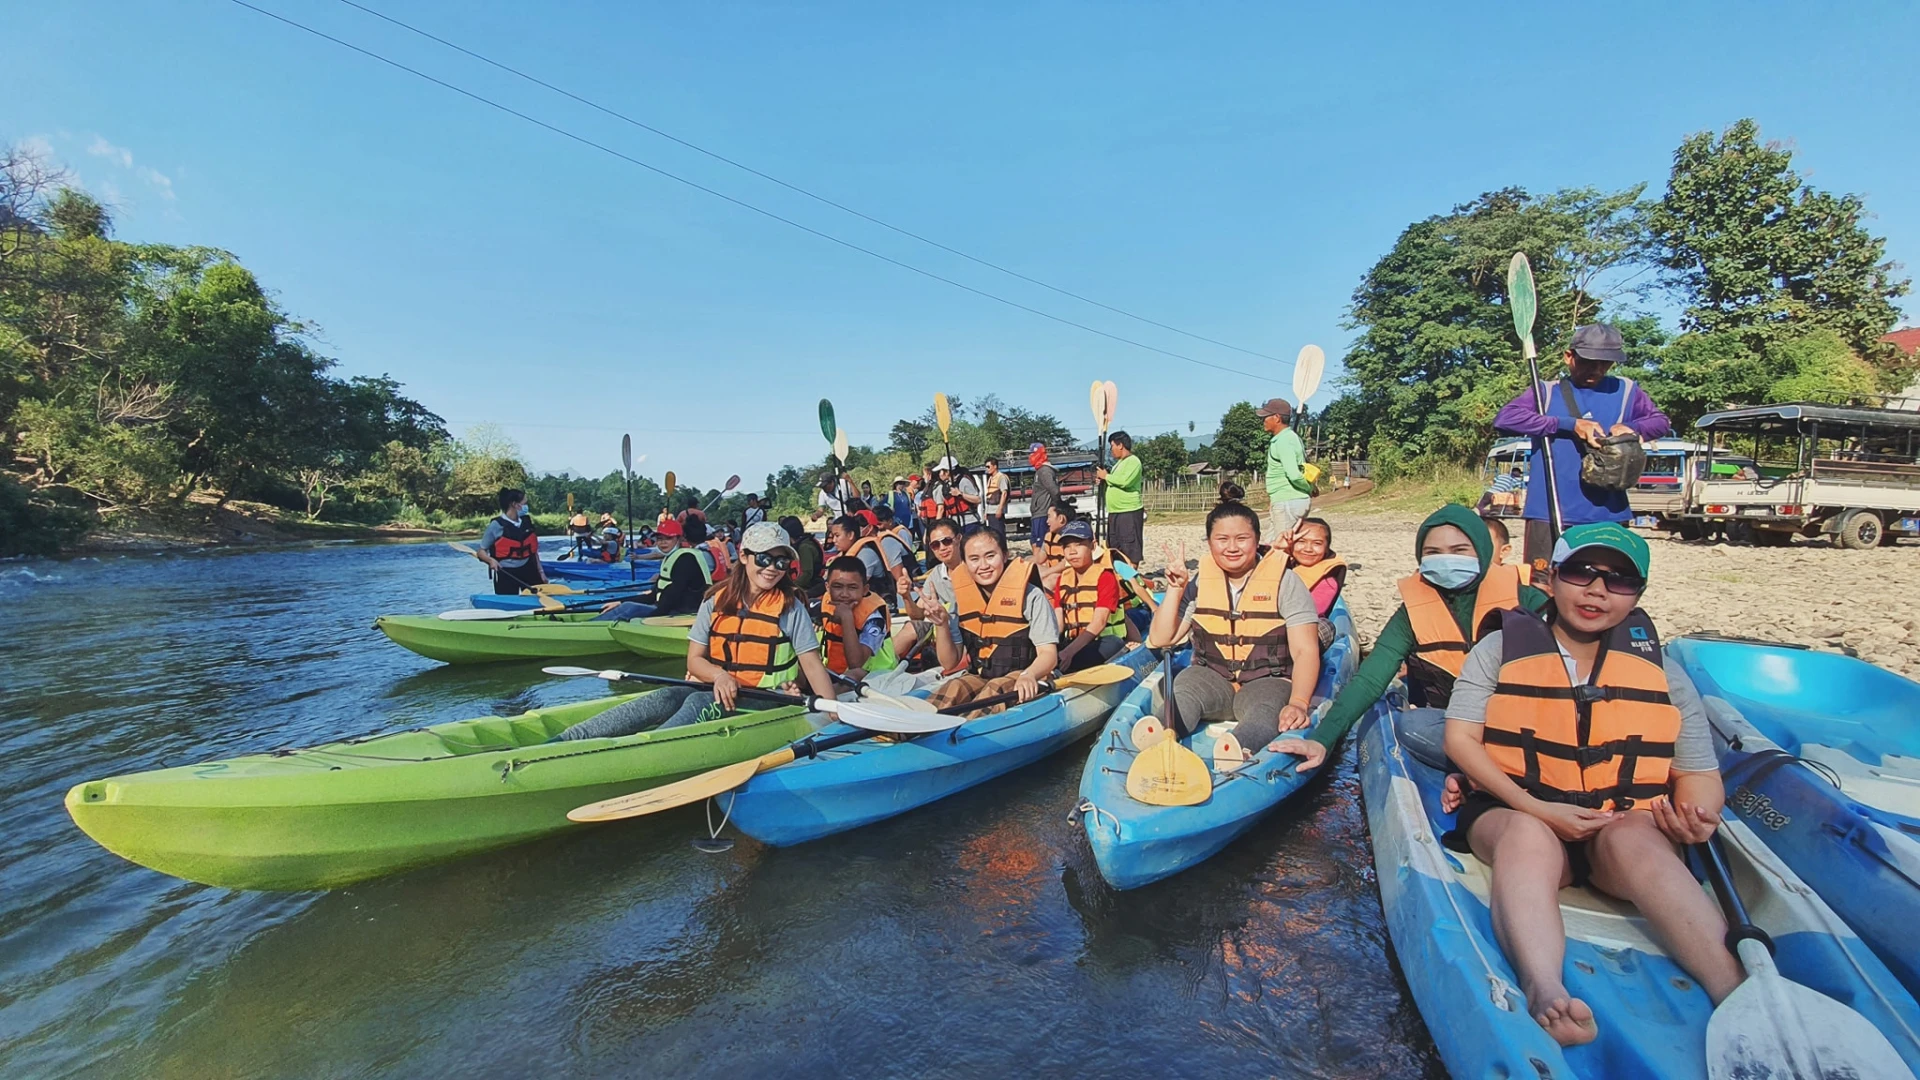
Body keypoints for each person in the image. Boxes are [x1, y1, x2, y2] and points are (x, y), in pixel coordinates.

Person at [1442, 523, 1739, 1046]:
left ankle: (1736, 990)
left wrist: (1697, 818)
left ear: (1638, 595)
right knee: (1528, 837)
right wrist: (1532, 805)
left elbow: (1698, 774)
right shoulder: (1498, 650)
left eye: (1620, 581)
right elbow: (1462, 739)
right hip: (1517, 811)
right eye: (1582, 573)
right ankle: (1545, 987)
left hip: (1617, 826)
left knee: (1635, 837)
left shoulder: (1662, 674)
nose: (1597, 590)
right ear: (1551, 578)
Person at [1273, 506, 1548, 775]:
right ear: (1420, 557)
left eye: (1459, 550)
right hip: (1462, 731)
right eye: (1433, 552)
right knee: (1412, 725)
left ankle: (1495, 770)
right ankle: (1487, 771)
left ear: (1482, 551)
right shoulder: (1413, 613)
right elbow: (1370, 679)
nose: (1446, 559)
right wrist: (1322, 739)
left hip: (1527, 726)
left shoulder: (1528, 600)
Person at [560, 523, 838, 740]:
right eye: (765, 559)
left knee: (698, 701)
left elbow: (812, 666)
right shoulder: (716, 600)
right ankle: (564, 741)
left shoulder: (790, 607)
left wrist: (832, 712)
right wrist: (720, 676)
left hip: (771, 698)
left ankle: (646, 749)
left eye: (781, 562)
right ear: (744, 556)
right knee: (667, 695)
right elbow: (695, 660)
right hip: (718, 687)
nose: (772, 569)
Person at [1495, 323, 1672, 584]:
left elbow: (1661, 422)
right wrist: (1568, 425)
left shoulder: (1626, 390)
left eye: (1605, 363)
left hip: (1608, 513)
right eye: (1590, 362)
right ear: (1569, 357)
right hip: (1550, 509)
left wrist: (1632, 427)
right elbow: (1505, 419)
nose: (1597, 370)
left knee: (1605, 584)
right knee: (1541, 584)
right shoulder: (1546, 391)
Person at [1148, 500, 1320, 769]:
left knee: (1266, 712)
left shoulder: (1286, 582)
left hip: (1267, 680)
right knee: (1183, 694)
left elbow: (1305, 650)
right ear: (1209, 542)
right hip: (1211, 677)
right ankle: (1157, 734)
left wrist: (1298, 703)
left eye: (1242, 538)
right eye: (1222, 539)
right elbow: (1161, 638)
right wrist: (1175, 589)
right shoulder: (1199, 583)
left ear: (1257, 539)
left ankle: (1237, 748)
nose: (1232, 547)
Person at [924, 527, 1060, 712]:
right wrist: (941, 625)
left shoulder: (1031, 596)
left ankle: (964, 735)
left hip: (1026, 676)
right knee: (955, 686)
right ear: (964, 562)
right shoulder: (961, 600)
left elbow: (1048, 654)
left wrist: (1030, 675)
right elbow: (949, 663)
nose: (983, 565)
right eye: (974, 559)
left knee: (995, 689)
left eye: (990, 556)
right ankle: (903, 733)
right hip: (982, 676)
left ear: (1005, 556)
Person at [1052, 520, 1130, 673]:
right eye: (1067, 546)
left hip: (1100, 640)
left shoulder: (1105, 577)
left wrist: (1068, 653)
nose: (1072, 551)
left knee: (1110, 645)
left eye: (1078, 544)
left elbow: (1099, 622)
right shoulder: (1062, 578)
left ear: (1093, 546)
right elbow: (1059, 622)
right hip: (1072, 641)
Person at [596, 517, 709, 619]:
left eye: (668, 538)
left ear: (679, 539)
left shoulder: (686, 559)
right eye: (660, 539)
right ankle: (587, 626)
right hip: (668, 611)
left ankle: (592, 630)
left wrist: (645, 619)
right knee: (627, 606)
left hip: (683, 615)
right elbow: (654, 595)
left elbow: (672, 598)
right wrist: (620, 602)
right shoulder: (671, 557)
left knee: (631, 609)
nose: (663, 542)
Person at [818, 555, 897, 681]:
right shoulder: (826, 602)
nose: (844, 594)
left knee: (853, 675)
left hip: (875, 675)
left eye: (852, 588)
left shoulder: (874, 617)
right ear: (827, 587)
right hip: (833, 671)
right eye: (837, 587)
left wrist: (847, 618)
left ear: (865, 590)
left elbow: (856, 664)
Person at [1258, 398, 1315, 543]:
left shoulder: (1283, 441)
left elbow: (1294, 475)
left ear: (1276, 418)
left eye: (1266, 417)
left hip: (1288, 501)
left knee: (1281, 548)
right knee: (1269, 545)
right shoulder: (1289, 438)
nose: (1263, 420)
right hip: (1285, 500)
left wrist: (1308, 487)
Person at [829, 513, 908, 606]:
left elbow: (852, 585)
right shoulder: (844, 554)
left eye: (837, 536)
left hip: (878, 605)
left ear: (850, 535)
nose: (834, 540)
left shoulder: (866, 554)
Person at [479, 488, 546, 595]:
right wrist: (490, 560)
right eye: (524, 503)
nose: (526, 506)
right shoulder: (496, 526)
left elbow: (533, 552)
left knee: (539, 596)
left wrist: (541, 572)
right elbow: (481, 551)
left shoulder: (526, 522)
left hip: (528, 568)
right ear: (515, 504)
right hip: (507, 572)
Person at [1097, 431, 1144, 564]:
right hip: (1115, 512)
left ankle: (1131, 579)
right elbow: (1115, 481)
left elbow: (1124, 481)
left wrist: (1106, 476)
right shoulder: (1118, 464)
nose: (1111, 450)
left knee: (1129, 548)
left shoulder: (1133, 461)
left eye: (1112, 446)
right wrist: (1104, 480)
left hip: (1128, 511)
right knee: (1115, 547)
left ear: (1120, 445)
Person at [1287, 516, 1345, 619]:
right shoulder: (1281, 563)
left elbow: (1306, 616)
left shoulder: (1327, 583)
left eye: (1317, 543)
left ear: (1327, 548)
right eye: (1301, 541)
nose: (1308, 549)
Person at [781, 515, 827, 599]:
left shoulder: (804, 547)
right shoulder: (806, 542)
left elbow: (807, 573)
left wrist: (791, 587)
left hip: (809, 587)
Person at [929, 457, 981, 526]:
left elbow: (978, 500)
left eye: (941, 471)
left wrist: (960, 494)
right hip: (955, 523)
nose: (939, 474)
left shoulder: (963, 481)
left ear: (947, 472)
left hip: (969, 522)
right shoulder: (947, 485)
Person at [1026, 443, 1058, 550]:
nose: (1030, 457)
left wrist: (1056, 507)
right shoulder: (1039, 471)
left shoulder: (1044, 471)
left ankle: (1043, 565)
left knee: (1041, 544)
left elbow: (1054, 490)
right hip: (1037, 512)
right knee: (1034, 542)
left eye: (1032, 454)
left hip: (1043, 512)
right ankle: (1038, 565)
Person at [981, 456, 1008, 534]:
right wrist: (986, 512)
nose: (987, 469)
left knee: (999, 533)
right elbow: (989, 496)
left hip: (996, 511)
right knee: (993, 534)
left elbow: (1004, 493)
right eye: (986, 467)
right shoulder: (990, 478)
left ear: (995, 466)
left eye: (988, 466)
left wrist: (1000, 509)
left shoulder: (1001, 477)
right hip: (990, 511)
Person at [889, 477, 917, 542]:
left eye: (903, 483)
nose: (901, 485)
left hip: (908, 521)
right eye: (900, 483)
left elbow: (910, 505)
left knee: (908, 538)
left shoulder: (906, 494)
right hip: (896, 521)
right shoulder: (891, 494)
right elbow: (883, 504)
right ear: (896, 484)